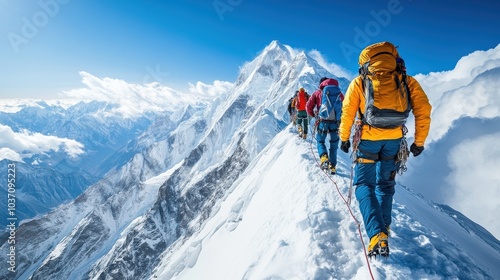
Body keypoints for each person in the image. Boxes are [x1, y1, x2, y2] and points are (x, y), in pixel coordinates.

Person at [338, 42, 432, 258]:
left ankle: (376, 235)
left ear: (366, 62)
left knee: (364, 184)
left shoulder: (360, 82)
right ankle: (384, 228)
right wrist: (419, 142)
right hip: (395, 141)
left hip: (367, 141)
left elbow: (348, 112)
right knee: (385, 185)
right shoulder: (407, 81)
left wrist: (344, 138)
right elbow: (423, 111)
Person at [306, 77, 343, 174]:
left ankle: (323, 157)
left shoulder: (318, 93)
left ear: (321, 84)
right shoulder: (338, 93)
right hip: (335, 122)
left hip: (323, 121)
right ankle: (333, 166)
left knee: (320, 141)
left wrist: (314, 115)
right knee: (334, 144)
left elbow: (308, 106)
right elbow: (345, 104)